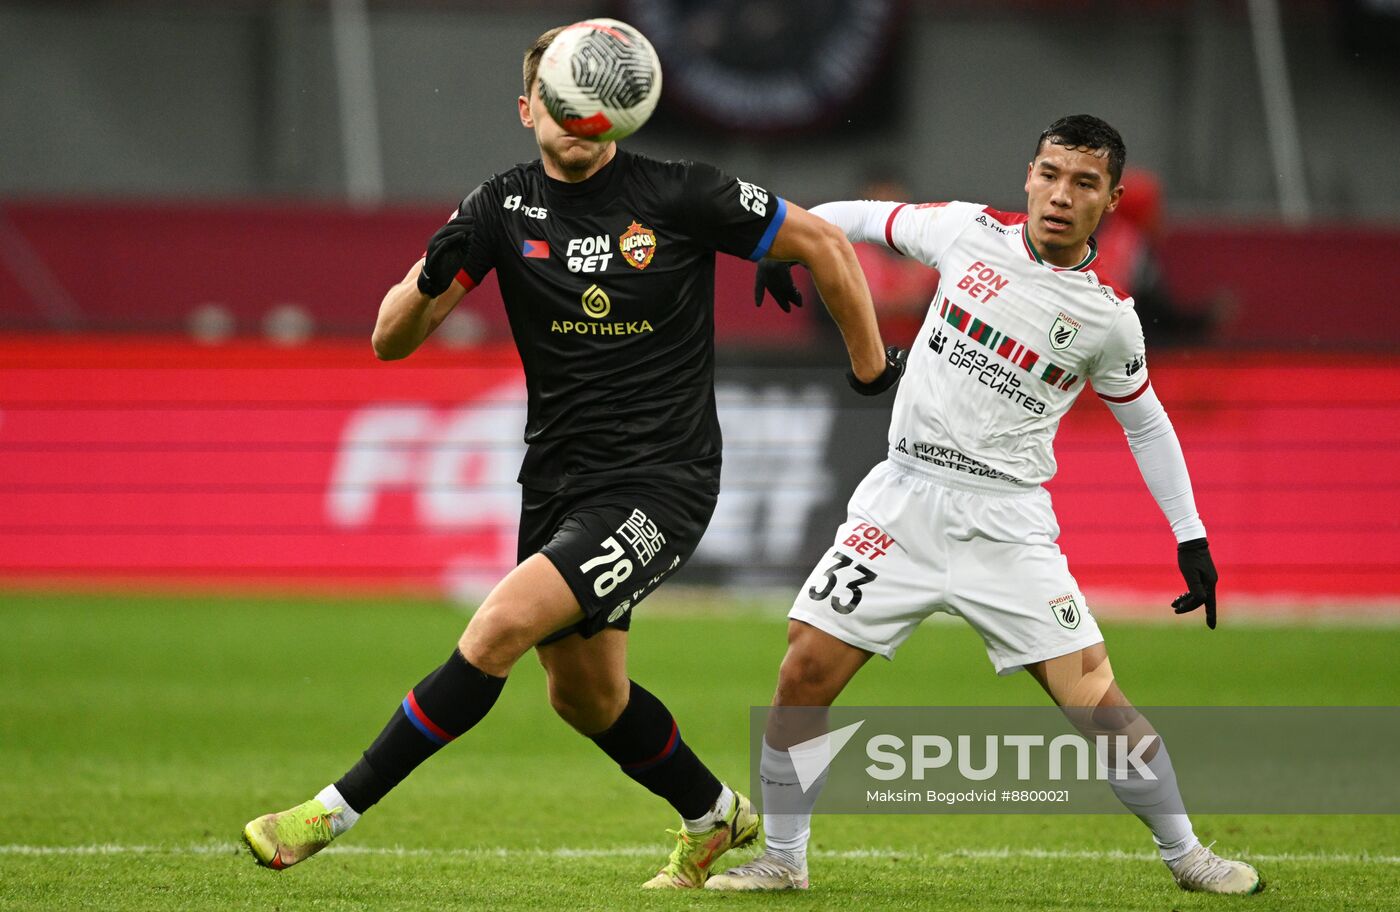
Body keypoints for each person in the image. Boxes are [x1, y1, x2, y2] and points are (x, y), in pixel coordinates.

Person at [241, 23, 897, 890]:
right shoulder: (499, 209)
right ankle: (714, 817)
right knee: (584, 697)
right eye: (560, 110)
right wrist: (428, 279)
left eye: (594, 111)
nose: (578, 125)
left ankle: (328, 813)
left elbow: (825, 244)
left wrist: (869, 371)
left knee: (497, 628)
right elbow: (389, 342)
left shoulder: (678, 194)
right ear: (528, 111)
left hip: (662, 484)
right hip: (556, 480)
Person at [712, 115, 1262, 895]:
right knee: (803, 670)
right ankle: (782, 859)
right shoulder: (967, 232)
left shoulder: (1107, 318)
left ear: (1108, 203)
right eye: (1049, 173)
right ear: (1028, 175)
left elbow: (1147, 421)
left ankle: (1189, 857)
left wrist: (1191, 535)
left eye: (1084, 183)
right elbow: (856, 219)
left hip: (1005, 526)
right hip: (901, 504)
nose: (1060, 195)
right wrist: (787, 242)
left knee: (1096, 704)